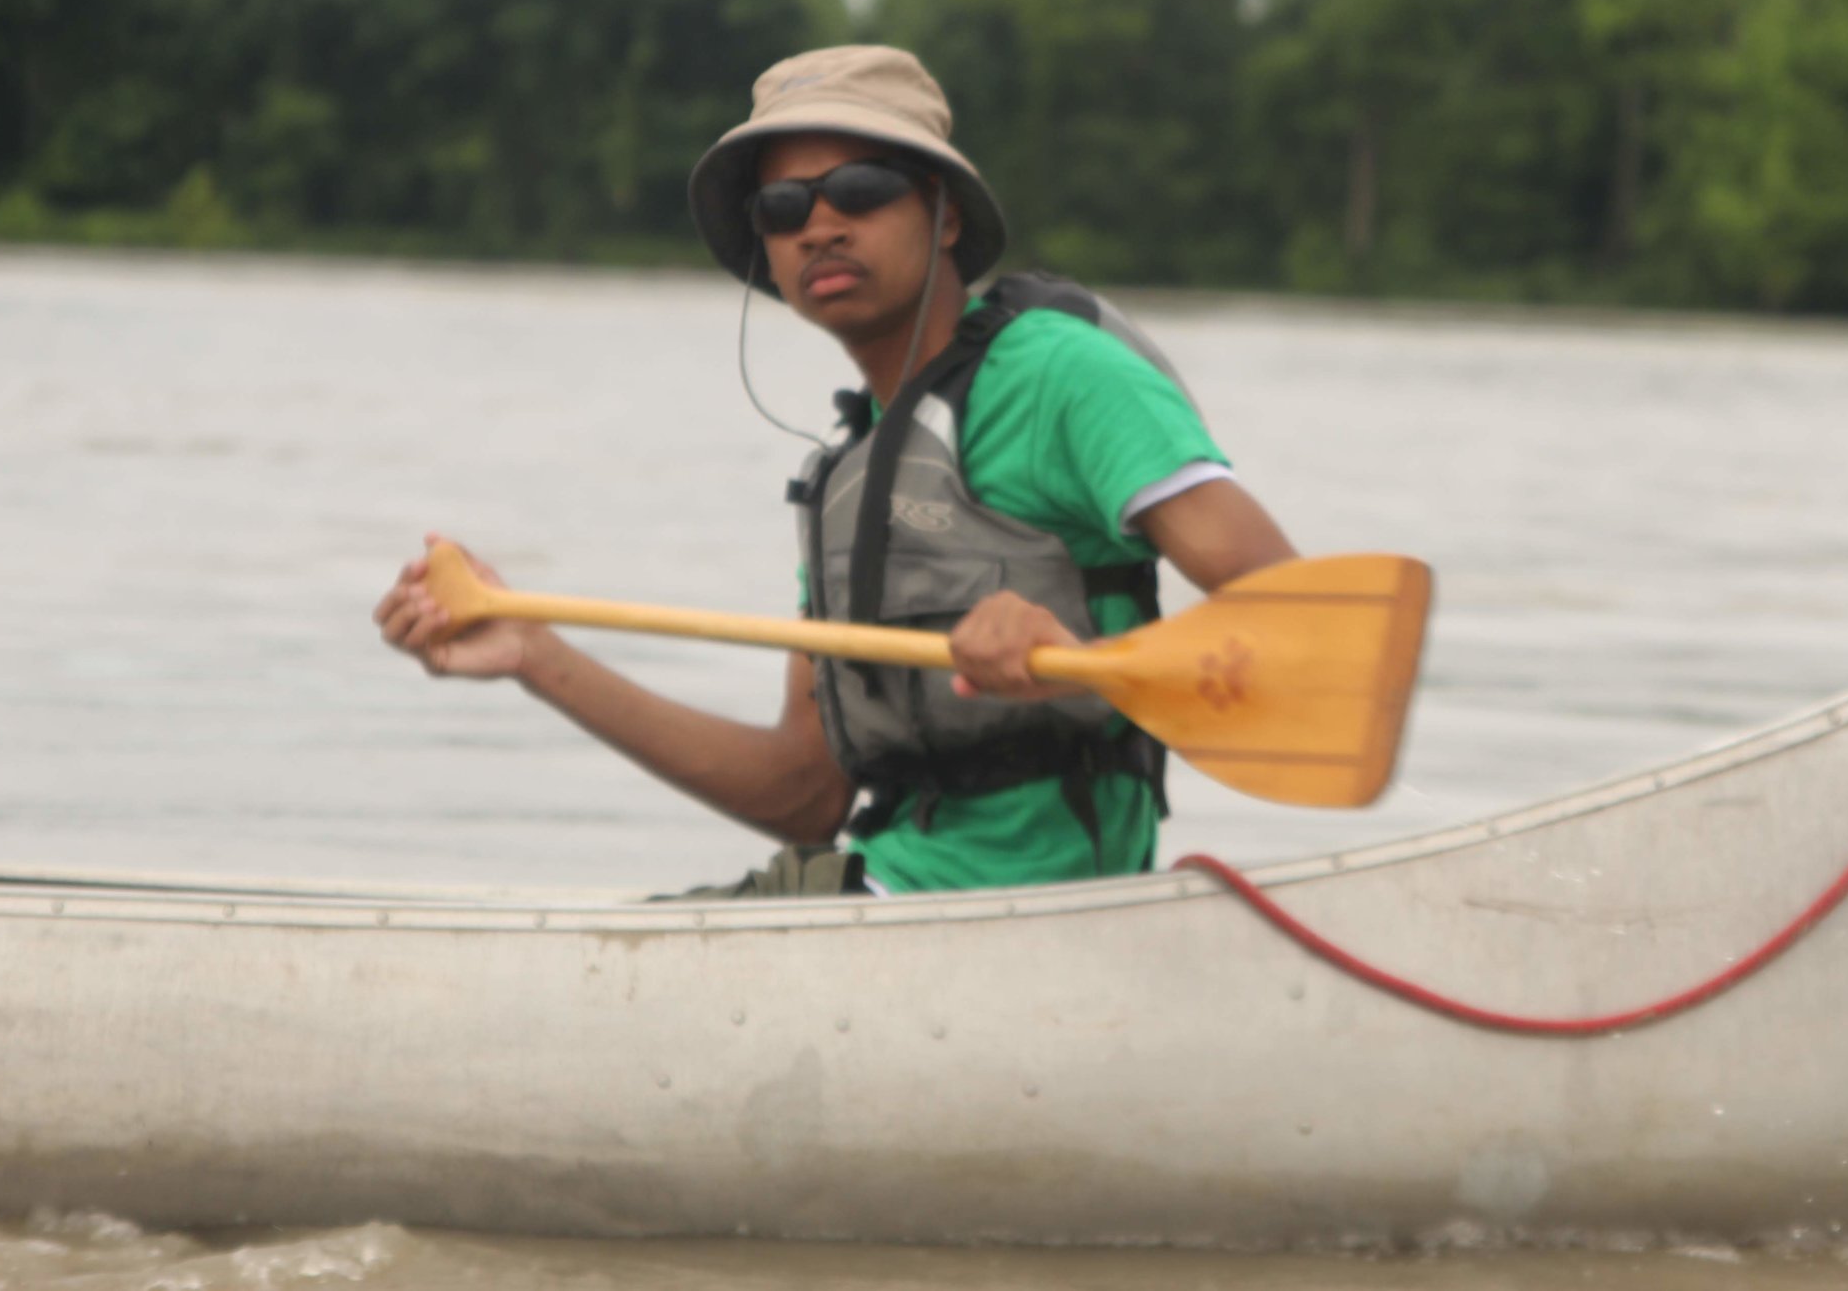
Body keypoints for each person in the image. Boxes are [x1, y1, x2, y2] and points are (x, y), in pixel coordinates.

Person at [373, 45, 1297, 895]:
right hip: (877, 890)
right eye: (782, 208)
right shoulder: (846, 480)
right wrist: (533, 653)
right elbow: (802, 794)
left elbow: (1297, 624)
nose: (818, 226)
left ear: (944, 213)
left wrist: (1078, 666)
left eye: (858, 188)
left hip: (1028, 915)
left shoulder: (1063, 375)